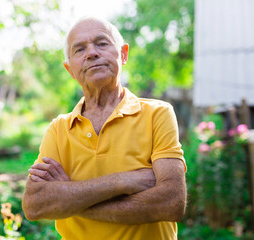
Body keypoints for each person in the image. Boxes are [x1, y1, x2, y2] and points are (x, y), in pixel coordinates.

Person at [22, 17, 187, 240]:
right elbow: (35, 205)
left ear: (124, 54)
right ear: (70, 68)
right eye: (79, 49)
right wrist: (125, 181)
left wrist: (70, 199)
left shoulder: (157, 114)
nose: (91, 53)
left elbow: (170, 202)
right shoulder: (58, 129)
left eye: (102, 43)